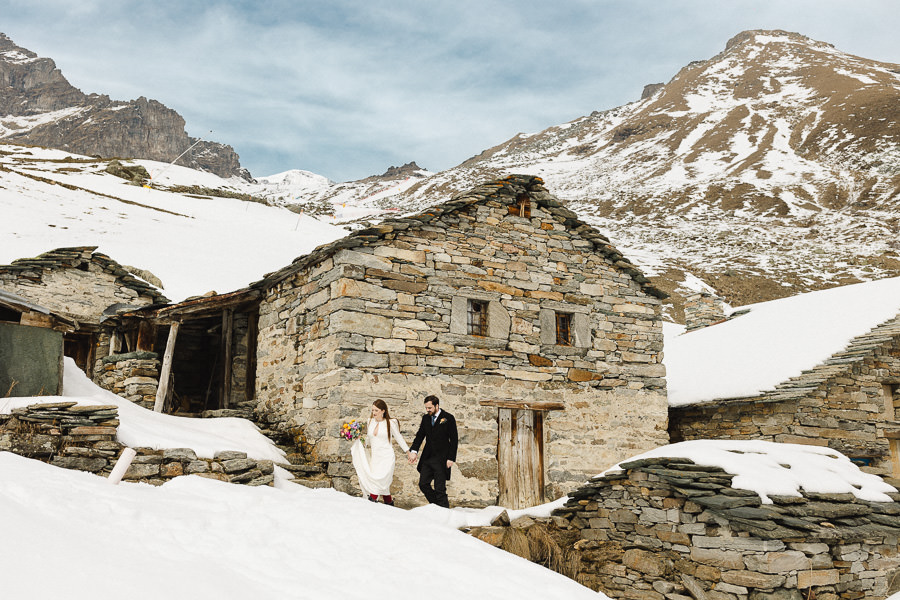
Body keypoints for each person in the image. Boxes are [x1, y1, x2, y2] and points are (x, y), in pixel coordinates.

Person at [350, 399, 409, 505]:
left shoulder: (390, 423)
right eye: (373, 410)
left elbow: (399, 438)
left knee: (380, 480)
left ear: (383, 411)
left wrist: (408, 452)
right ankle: (389, 502)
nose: (374, 413)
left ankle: (371, 501)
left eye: (376, 410)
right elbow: (368, 440)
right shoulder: (370, 422)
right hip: (376, 458)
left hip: (387, 456)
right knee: (382, 484)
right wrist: (359, 439)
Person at [407, 395, 458, 508]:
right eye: (426, 408)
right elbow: (420, 436)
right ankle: (437, 506)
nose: (427, 410)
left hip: (442, 459)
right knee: (423, 484)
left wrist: (451, 458)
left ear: (437, 406)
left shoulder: (448, 418)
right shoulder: (426, 418)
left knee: (440, 489)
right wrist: (414, 451)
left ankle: (444, 511)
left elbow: (454, 440)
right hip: (428, 458)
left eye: (429, 408)